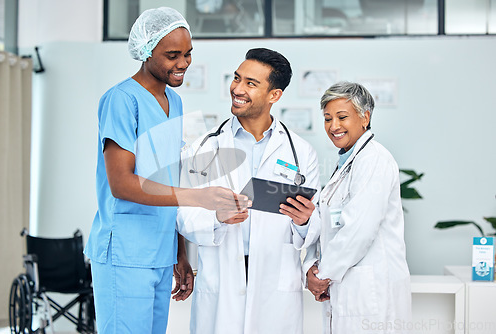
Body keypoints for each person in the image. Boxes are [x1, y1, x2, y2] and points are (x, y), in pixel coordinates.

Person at [84, 7, 249, 334]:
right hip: (125, 252)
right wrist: (199, 197)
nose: (183, 63)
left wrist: (179, 251)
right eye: (172, 55)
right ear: (146, 52)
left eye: (187, 54)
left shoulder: (176, 104)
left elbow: (170, 177)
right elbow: (121, 184)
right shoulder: (120, 100)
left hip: (160, 251)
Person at [177, 48, 321, 334]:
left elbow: (312, 230)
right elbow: (183, 217)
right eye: (237, 79)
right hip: (221, 277)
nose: (237, 89)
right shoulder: (204, 148)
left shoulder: (302, 153)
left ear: (274, 95)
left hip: (274, 282)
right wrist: (217, 217)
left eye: (251, 84)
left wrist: (306, 220)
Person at [304, 81, 412, 333]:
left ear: (365, 117)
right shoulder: (348, 161)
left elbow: (359, 229)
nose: (334, 126)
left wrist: (323, 275)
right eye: (327, 118)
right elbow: (333, 225)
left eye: (342, 117)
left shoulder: (373, 159)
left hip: (371, 291)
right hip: (350, 286)